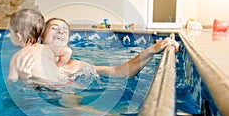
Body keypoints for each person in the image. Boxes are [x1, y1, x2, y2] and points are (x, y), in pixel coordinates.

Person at [14, 17, 180, 81]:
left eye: (65, 30)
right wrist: (25, 80)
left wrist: (152, 50)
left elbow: (120, 72)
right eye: (55, 28)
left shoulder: (76, 66)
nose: (61, 31)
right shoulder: (29, 61)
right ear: (42, 36)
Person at [7, 9, 72, 82]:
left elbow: (11, 82)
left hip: (42, 87)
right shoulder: (48, 48)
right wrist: (59, 66)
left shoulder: (16, 56)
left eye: (10, 32)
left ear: (18, 36)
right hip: (61, 82)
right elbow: (67, 51)